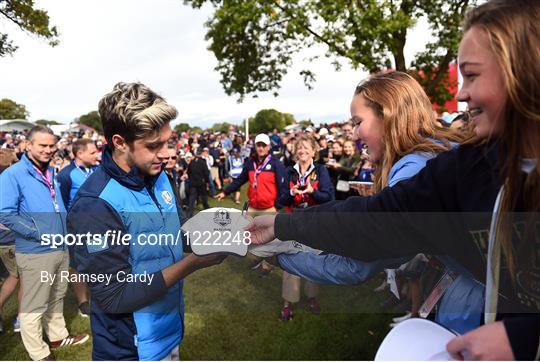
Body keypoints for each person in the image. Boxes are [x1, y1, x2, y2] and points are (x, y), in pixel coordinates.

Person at [246, 0, 540, 359]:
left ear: (524, 71)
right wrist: (281, 227)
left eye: (473, 75)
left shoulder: (422, 165)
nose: (461, 94)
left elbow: (358, 261)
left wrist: (524, 336)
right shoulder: (470, 167)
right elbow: (376, 219)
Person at [67, 82, 226, 360]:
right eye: (154, 145)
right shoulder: (94, 205)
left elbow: (176, 231)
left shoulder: (159, 174)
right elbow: (113, 295)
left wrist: (220, 232)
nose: (166, 154)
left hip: (166, 333)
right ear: (119, 142)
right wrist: (192, 264)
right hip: (129, 349)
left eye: (167, 142)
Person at [0, 126, 88, 361]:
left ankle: (58, 336)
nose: (48, 150)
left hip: (60, 245)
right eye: (43, 145)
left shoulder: (50, 171)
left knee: (57, 294)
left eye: (52, 145)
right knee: (34, 303)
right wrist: (38, 233)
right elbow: (5, 213)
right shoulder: (13, 174)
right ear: (29, 145)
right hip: (36, 249)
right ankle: (38, 352)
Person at [277, 135, 334, 321]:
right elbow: (280, 200)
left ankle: (312, 297)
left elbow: (329, 198)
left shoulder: (321, 170)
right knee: (291, 261)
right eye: (299, 148)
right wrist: (291, 194)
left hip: (315, 223)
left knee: (314, 260)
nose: (302, 151)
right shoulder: (289, 171)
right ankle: (288, 302)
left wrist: (312, 192)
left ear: (314, 151)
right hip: (294, 222)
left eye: (306, 148)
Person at [216, 133, 286, 274]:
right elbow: (239, 180)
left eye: (263, 145)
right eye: (258, 145)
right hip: (253, 207)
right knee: (246, 235)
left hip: (269, 208)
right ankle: (258, 257)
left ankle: (267, 265)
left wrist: (277, 206)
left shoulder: (276, 164)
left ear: (268, 147)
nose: (260, 148)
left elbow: (283, 188)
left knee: (270, 240)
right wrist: (225, 191)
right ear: (255, 146)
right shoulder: (250, 163)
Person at [0, 149, 21, 334]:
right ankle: (21, 319)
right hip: (11, 238)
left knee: (14, 277)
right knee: (24, 279)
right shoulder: (10, 183)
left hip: (3, 240)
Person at [187, 148, 211, 218]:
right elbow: (206, 173)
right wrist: (207, 181)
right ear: (201, 154)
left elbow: (188, 172)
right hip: (201, 183)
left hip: (193, 183)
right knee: (203, 197)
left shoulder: (192, 161)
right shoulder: (203, 162)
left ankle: (189, 214)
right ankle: (207, 209)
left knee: (192, 199)